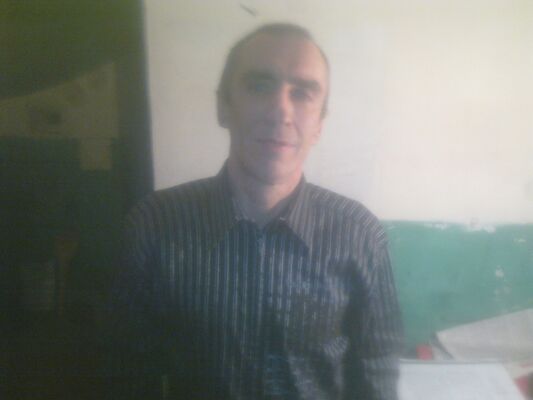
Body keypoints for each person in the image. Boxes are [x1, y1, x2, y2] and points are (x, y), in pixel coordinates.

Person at [107, 23, 403, 400]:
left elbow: (377, 371)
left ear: (319, 125)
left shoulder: (360, 234)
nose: (281, 110)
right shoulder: (154, 226)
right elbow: (127, 372)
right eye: (260, 85)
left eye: (303, 93)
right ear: (223, 107)